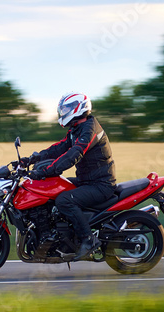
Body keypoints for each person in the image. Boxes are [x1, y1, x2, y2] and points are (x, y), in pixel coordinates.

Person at [21, 92, 116, 260]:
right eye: (63, 109)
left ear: (78, 108)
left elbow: (73, 155)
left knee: (64, 200)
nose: (63, 112)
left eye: (67, 109)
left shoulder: (90, 129)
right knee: (52, 188)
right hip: (86, 181)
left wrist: (46, 171)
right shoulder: (77, 129)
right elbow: (59, 148)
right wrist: (32, 159)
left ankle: (88, 240)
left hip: (100, 185)